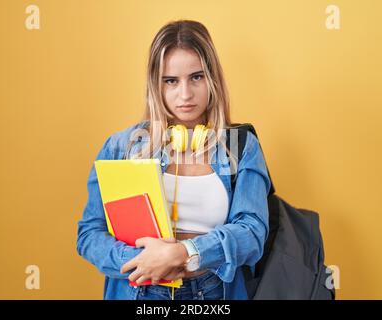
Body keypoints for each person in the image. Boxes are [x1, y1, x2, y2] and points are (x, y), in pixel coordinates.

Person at [76, 19, 271, 300]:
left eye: (196, 77)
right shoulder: (122, 147)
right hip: (141, 293)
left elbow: (251, 233)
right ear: (156, 85)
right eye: (171, 81)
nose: (185, 94)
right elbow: (89, 234)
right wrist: (145, 262)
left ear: (212, 79)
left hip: (214, 292)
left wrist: (184, 254)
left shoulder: (240, 147)